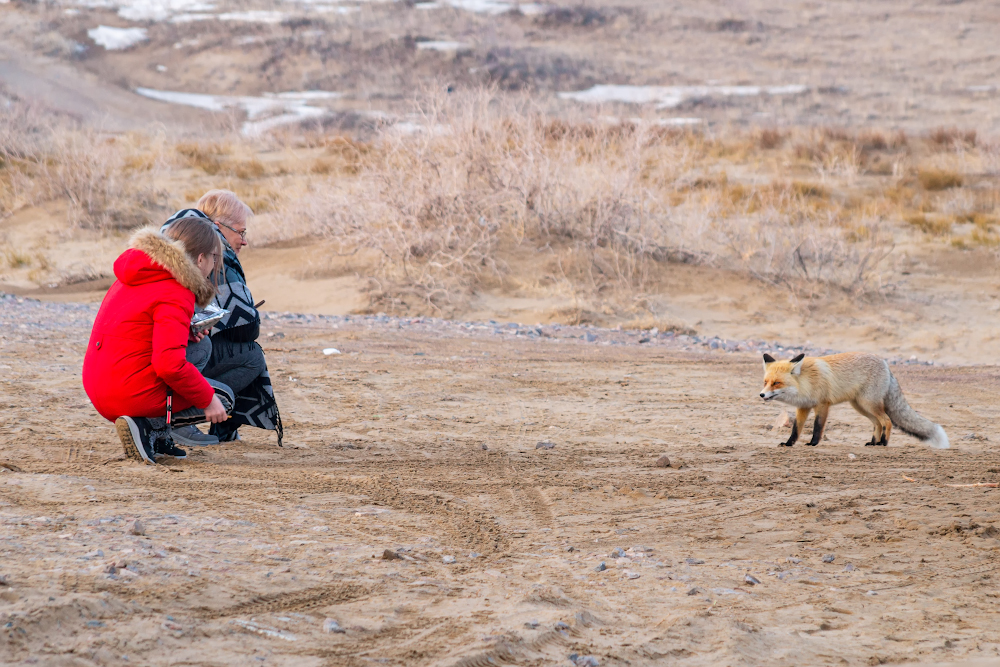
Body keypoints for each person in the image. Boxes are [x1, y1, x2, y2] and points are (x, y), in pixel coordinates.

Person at [82, 217, 235, 464]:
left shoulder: (135, 274)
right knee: (224, 399)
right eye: (214, 258)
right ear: (199, 259)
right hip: (126, 394)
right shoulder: (177, 290)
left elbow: (137, 331)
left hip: (97, 386)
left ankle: (159, 435)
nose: (215, 265)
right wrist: (208, 400)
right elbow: (168, 363)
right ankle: (146, 427)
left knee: (201, 346)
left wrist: (185, 332)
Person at [162, 191, 283, 447]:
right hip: (170, 362)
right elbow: (246, 329)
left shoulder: (175, 239)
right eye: (241, 232)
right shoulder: (215, 256)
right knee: (250, 356)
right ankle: (182, 419)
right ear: (219, 227)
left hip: (153, 357)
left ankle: (209, 425)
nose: (244, 240)